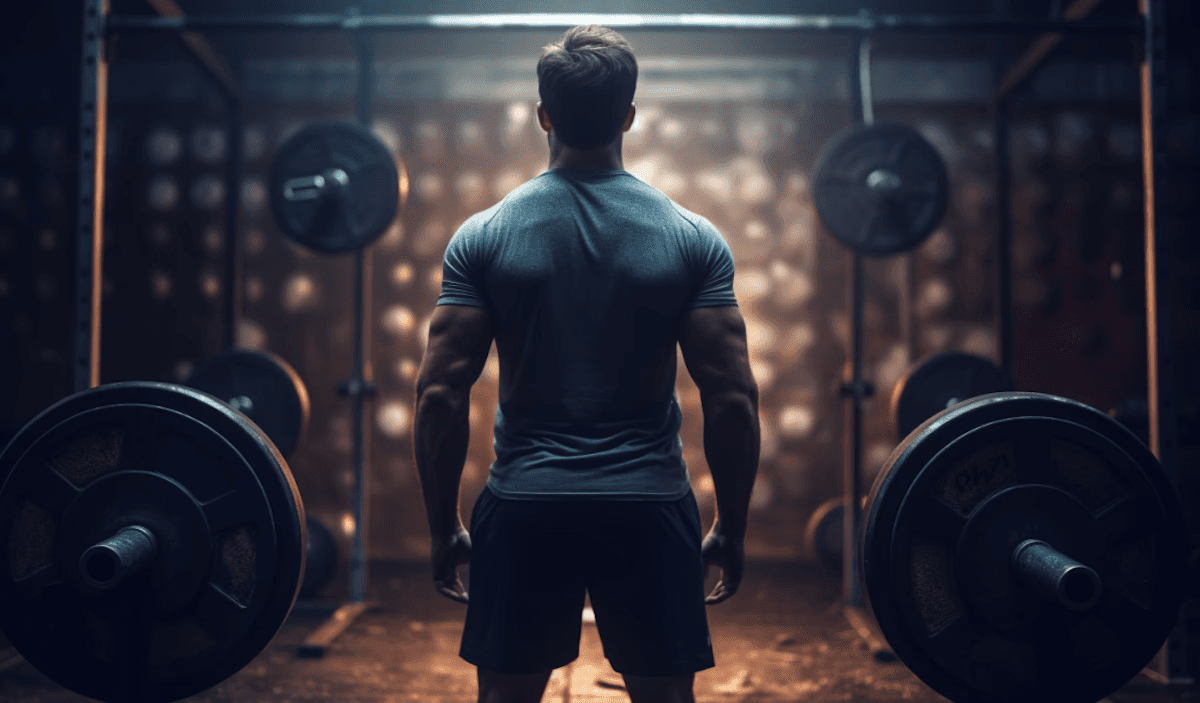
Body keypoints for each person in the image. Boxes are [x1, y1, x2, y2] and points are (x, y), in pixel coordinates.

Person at [413, 24, 760, 703]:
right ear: (629, 116)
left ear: (543, 115)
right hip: (649, 507)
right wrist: (733, 527)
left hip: (526, 506)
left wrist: (441, 525)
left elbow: (439, 393)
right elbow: (733, 397)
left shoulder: (483, 236)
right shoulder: (692, 238)